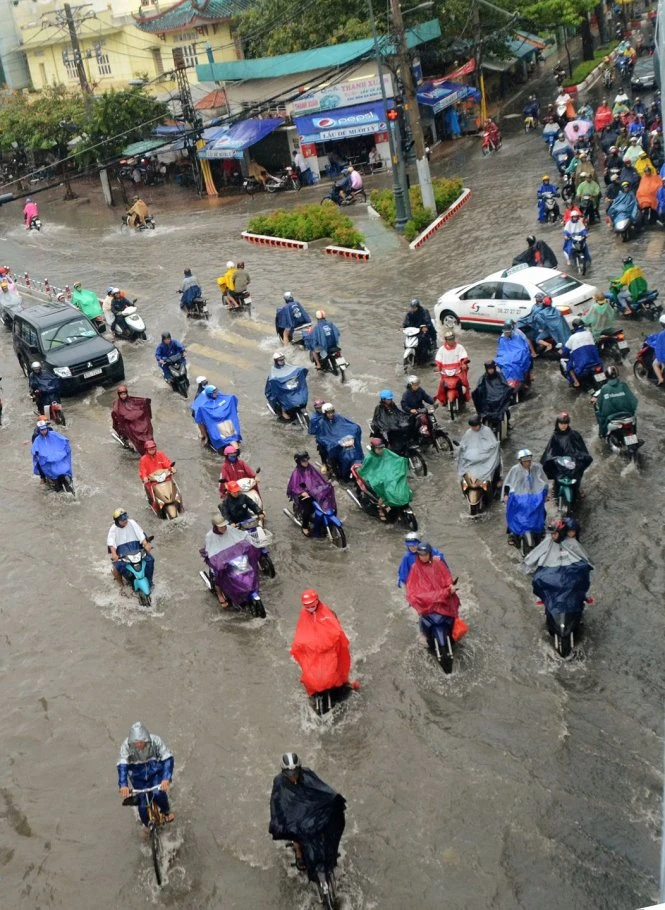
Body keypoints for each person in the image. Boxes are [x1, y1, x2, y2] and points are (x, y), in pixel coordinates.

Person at [269, 752, 346, 880]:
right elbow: (277, 803)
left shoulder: (308, 775)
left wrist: (334, 801)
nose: (292, 776)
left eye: (295, 772)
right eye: (289, 773)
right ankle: (298, 850)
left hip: (309, 812)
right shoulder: (279, 782)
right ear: (284, 772)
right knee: (295, 831)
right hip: (293, 815)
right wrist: (279, 823)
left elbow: (322, 789)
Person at [290, 589, 354, 697]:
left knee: (334, 671)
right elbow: (301, 633)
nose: (310, 608)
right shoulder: (304, 614)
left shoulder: (328, 613)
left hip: (330, 650)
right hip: (314, 651)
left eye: (312, 605)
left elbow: (336, 632)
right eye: (307, 606)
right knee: (315, 674)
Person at [117, 722, 174, 827]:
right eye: (136, 743)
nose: (139, 745)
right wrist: (123, 785)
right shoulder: (126, 746)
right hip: (137, 776)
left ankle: (166, 812)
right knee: (142, 806)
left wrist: (166, 778)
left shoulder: (156, 741)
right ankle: (147, 827)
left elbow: (167, 759)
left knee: (158, 794)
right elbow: (122, 766)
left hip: (155, 771)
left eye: (141, 742)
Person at [201, 514, 258, 607]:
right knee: (217, 576)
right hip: (221, 562)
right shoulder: (210, 536)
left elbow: (241, 536)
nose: (224, 528)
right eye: (221, 527)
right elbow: (210, 552)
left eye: (224, 525)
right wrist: (217, 562)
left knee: (247, 569)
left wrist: (249, 543)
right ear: (215, 526)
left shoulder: (229, 529)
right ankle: (220, 595)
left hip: (233, 558)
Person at [405, 541, 461, 626]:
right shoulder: (414, 568)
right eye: (421, 555)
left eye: (425, 555)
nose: (423, 557)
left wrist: (450, 585)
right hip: (426, 600)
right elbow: (411, 586)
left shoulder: (437, 562)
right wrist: (413, 597)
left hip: (440, 596)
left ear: (430, 554)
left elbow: (446, 576)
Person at [357, 437, 412, 520]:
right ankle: (381, 508)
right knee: (383, 493)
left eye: (381, 448)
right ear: (373, 449)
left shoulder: (386, 452)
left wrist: (403, 461)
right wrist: (377, 478)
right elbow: (365, 471)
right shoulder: (369, 458)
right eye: (378, 449)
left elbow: (396, 459)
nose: (381, 450)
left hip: (388, 476)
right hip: (377, 479)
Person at [503, 450, 549, 546]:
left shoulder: (537, 468)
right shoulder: (514, 470)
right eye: (525, 461)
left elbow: (544, 481)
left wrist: (545, 495)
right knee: (512, 513)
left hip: (534, 496)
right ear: (520, 461)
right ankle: (512, 533)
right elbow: (508, 483)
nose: (528, 463)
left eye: (529, 460)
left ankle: (541, 528)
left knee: (542, 511)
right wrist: (506, 495)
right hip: (518, 496)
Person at [541, 412, 593, 493]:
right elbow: (551, 451)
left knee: (578, 471)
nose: (563, 425)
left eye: (565, 423)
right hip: (560, 461)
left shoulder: (574, 435)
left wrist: (577, 456)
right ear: (557, 423)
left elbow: (580, 448)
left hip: (572, 460)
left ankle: (577, 488)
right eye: (561, 423)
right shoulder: (555, 436)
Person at [287, 452, 337, 536]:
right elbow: (294, 487)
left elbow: (319, 479)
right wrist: (302, 492)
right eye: (303, 461)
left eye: (307, 460)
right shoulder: (296, 473)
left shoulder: (311, 468)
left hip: (315, 493)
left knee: (327, 502)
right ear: (298, 461)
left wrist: (326, 485)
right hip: (304, 496)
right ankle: (305, 527)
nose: (306, 462)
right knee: (307, 510)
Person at [313, 403, 363, 479]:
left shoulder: (339, 418)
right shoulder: (322, 423)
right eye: (329, 413)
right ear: (325, 413)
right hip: (333, 446)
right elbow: (322, 438)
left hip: (344, 443)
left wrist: (352, 436)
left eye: (332, 412)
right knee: (332, 459)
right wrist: (336, 443)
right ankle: (331, 469)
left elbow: (352, 426)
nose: (331, 414)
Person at [107, 508, 154, 588]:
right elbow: (111, 544)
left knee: (150, 560)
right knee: (116, 568)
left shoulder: (132, 523)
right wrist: (114, 554)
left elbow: (140, 534)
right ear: (117, 520)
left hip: (136, 549)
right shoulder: (113, 529)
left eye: (126, 518)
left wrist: (145, 544)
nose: (125, 520)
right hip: (123, 553)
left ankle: (149, 580)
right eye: (122, 519)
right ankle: (121, 587)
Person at [456, 414, 502, 486]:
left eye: (475, 426)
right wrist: (461, 448)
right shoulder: (468, 432)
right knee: (462, 465)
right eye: (472, 426)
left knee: (496, 462)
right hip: (472, 459)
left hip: (486, 457)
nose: (473, 428)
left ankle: (497, 481)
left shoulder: (487, 431)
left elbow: (493, 445)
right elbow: (464, 444)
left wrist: (487, 451)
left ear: (480, 424)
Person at [194, 385, 242, 451]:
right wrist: (204, 435)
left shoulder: (225, 398)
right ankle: (205, 436)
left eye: (216, 391)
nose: (216, 393)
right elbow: (200, 422)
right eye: (214, 392)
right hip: (219, 425)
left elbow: (232, 400)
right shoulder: (204, 407)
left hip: (226, 422)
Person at [594, 365, 638, 434]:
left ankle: (603, 433)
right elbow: (633, 401)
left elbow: (599, 403)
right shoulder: (623, 385)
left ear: (606, 376)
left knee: (598, 414)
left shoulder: (604, 388)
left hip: (612, 418)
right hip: (627, 415)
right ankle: (634, 434)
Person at [265, 351, 309, 421]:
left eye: (283, 359)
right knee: (280, 395)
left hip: (289, 388)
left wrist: (301, 371)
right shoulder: (273, 372)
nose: (282, 361)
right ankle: (283, 411)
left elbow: (296, 370)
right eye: (280, 360)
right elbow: (272, 383)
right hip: (281, 391)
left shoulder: (288, 367)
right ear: (276, 361)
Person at [560, 319, 603, 388]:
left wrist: (561, 351)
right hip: (596, 363)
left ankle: (576, 382)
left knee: (569, 366)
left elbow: (565, 352)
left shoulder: (572, 338)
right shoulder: (589, 333)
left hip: (582, 368)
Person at [111, 385, 153, 454]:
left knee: (144, 428)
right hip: (126, 424)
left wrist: (146, 402)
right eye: (121, 394)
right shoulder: (117, 404)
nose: (123, 396)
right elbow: (116, 413)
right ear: (119, 395)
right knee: (131, 433)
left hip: (134, 421)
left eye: (124, 394)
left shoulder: (132, 400)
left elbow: (139, 404)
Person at [32, 419, 72, 491]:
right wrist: (39, 454)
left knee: (66, 479)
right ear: (39, 430)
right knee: (39, 463)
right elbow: (35, 449)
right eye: (42, 430)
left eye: (44, 429)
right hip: (47, 463)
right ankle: (43, 478)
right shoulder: (36, 438)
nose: (43, 431)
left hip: (58, 461)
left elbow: (63, 440)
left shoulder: (53, 434)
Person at [370, 389, 414, 454]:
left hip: (394, 428)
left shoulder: (392, 405)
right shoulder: (379, 408)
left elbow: (398, 413)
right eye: (388, 399)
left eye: (390, 399)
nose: (390, 401)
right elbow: (380, 422)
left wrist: (408, 417)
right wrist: (389, 427)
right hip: (384, 431)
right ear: (383, 399)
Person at [472, 360, 514, 424]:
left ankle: (507, 423)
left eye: (491, 369)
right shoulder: (483, 378)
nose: (490, 370)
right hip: (487, 403)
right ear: (486, 369)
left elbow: (505, 386)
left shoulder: (500, 376)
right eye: (489, 369)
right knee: (482, 415)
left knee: (506, 411)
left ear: (494, 368)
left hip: (500, 401)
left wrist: (509, 392)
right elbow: (479, 388)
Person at [435, 329, 470, 404]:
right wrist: (438, 366)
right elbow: (438, 360)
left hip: (458, 371)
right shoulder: (441, 350)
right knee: (441, 384)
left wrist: (464, 364)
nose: (451, 341)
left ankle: (466, 397)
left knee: (464, 382)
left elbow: (463, 357)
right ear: (446, 340)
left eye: (452, 339)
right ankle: (442, 399)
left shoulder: (460, 347)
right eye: (449, 340)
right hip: (446, 372)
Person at [495, 322, 533, 388]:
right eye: (505, 332)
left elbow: (523, 347)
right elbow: (501, 350)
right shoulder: (502, 338)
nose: (507, 333)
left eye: (508, 332)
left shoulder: (518, 335)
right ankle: (507, 381)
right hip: (507, 356)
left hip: (519, 355)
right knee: (503, 363)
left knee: (524, 363)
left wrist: (518, 355)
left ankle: (525, 381)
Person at [139, 439, 175, 506]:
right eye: (150, 449)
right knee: (152, 497)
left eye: (153, 449)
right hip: (152, 481)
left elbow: (166, 462)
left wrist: (171, 468)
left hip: (164, 477)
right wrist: (144, 477)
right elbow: (143, 470)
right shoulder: (143, 459)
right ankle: (154, 505)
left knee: (174, 488)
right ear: (147, 450)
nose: (152, 451)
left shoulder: (160, 454)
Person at [402, 298, 437, 363]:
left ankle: (428, 353)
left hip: (422, 330)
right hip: (413, 332)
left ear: (417, 307)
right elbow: (406, 322)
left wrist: (425, 326)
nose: (412, 309)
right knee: (405, 343)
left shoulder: (424, 312)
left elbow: (427, 320)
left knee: (424, 341)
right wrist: (403, 327)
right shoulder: (409, 314)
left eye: (414, 307)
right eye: (411, 307)